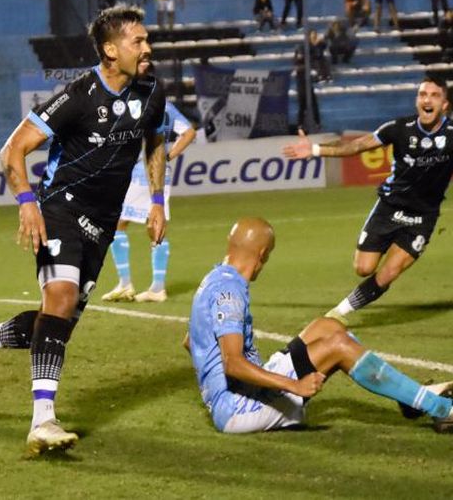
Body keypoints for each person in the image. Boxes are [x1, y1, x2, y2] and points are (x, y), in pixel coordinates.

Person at [0, 5, 168, 456]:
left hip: (103, 223)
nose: (147, 48)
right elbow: (13, 150)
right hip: (59, 209)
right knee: (61, 300)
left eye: (147, 40)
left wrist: (158, 200)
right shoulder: (78, 95)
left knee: (58, 322)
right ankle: (43, 421)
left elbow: (156, 141)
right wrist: (28, 204)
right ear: (111, 51)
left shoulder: (151, 91)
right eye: (138, 42)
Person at [186, 217, 453, 434]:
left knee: (326, 327)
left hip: (244, 393)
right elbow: (232, 362)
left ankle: (409, 399)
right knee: (339, 346)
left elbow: (190, 340)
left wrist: (211, 387)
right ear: (263, 253)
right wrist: (294, 386)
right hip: (239, 408)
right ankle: (441, 409)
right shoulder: (230, 292)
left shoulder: (215, 278)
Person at [283, 77, 453, 323]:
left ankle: (338, 313)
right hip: (389, 207)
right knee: (363, 268)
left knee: (388, 273)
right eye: (422, 94)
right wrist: (316, 150)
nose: (426, 100)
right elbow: (359, 145)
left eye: (434, 95)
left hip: (422, 217)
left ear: (445, 105)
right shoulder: (399, 128)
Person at [102, 61, 197, 303]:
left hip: (141, 173)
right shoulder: (165, 105)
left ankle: (127, 284)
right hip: (159, 173)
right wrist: (169, 155)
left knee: (117, 224)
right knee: (154, 224)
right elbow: (189, 132)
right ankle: (157, 286)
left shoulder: (136, 103)